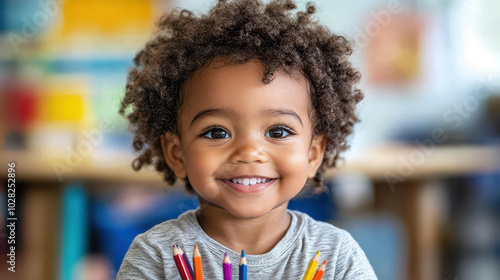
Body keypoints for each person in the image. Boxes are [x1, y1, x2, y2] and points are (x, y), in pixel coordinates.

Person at [116, 0, 377, 279]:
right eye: (217, 132)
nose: (249, 152)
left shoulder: (337, 256)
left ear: (313, 154)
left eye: (277, 132)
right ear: (177, 154)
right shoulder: (155, 255)